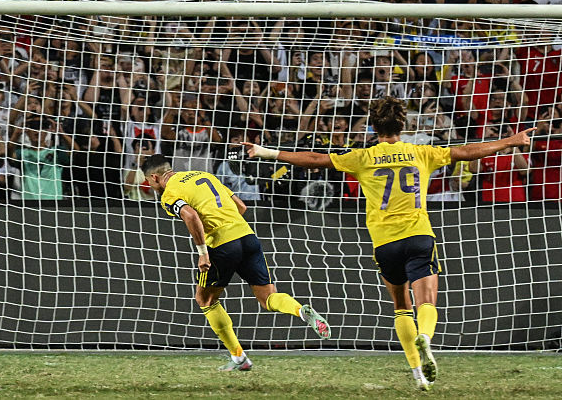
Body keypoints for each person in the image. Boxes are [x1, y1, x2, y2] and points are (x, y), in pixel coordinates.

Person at [243, 96, 534, 389]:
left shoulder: (363, 156)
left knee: (401, 307)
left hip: (385, 243)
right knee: (427, 301)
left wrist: (266, 151)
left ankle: (418, 375)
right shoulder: (421, 152)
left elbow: (316, 159)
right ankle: (427, 339)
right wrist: (510, 141)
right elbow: (467, 151)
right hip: (419, 235)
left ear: (373, 126)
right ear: (403, 124)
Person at [142, 153, 331, 372]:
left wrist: (203, 253)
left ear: (155, 178)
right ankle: (300, 310)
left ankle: (240, 358)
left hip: (222, 244)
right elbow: (241, 207)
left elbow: (190, 216)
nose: (149, 185)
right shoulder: (203, 175)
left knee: (205, 299)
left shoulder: (169, 194)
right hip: (247, 236)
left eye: (148, 181)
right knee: (268, 297)